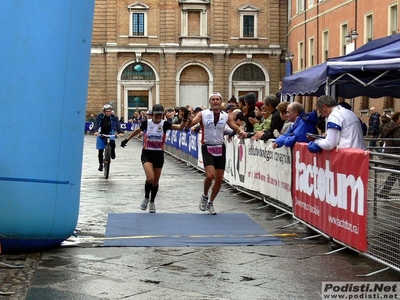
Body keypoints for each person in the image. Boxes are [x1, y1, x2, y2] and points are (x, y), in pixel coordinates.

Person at [120, 104, 189, 213]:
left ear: (162, 115)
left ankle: (152, 202)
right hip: (147, 153)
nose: (158, 117)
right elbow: (137, 131)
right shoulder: (147, 123)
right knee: (150, 178)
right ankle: (146, 198)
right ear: (152, 114)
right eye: (156, 115)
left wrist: (184, 119)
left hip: (158, 154)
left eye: (160, 115)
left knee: (156, 181)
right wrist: (127, 140)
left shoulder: (165, 124)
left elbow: (180, 128)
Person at [186, 92, 247, 215]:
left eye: (217, 99)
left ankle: (211, 202)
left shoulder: (225, 116)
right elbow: (190, 124)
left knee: (219, 179)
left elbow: (234, 126)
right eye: (213, 99)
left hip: (220, 147)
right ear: (210, 102)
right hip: (207, 147)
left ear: (221, 102)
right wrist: (187, 120)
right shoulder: (202, 114)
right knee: (210, 176)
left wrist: (240, 131)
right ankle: (204, 195)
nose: (215, 101)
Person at [376, 112, 400, 199]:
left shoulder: (390, 127)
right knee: (396, 173)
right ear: (397, 119)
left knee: (395, 174)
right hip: (396, 153)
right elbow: (398, 141)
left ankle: (384, 191)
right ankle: (384, 191)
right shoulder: (397, 128)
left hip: (391, 152)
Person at [93, 104, 124, 171]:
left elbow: (117, 124)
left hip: (110, 132)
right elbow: (96, 124)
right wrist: (95, 131)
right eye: (107, 111)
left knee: (112, 142)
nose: (108, 113)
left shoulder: (114, 117)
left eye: (109, 111)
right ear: (104, 111)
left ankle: (112, 151)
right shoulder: (100, 116)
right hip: (101, 133)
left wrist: (120, 132)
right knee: (100, 150)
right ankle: (100, 164)